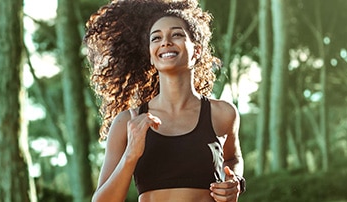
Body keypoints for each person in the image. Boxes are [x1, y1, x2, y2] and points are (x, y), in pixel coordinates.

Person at [84, 0, 245, 201]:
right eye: (156, 38)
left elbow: (232, 158)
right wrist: (131, 155)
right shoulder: (128, 122)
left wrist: (235, 181)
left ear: (196, 51)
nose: (165, 42)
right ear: (151, 56)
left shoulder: (222, 114)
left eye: (176, 34)